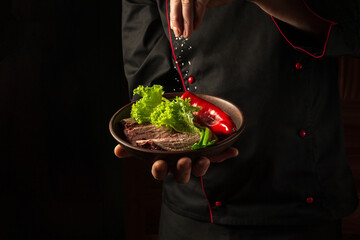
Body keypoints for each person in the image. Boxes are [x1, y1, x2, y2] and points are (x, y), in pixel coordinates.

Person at [116, 0, 360, 239]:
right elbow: (149, 79)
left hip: (304, 201)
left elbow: (352, 29)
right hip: (196, 202)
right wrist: (165, 139)